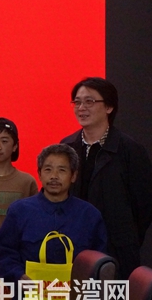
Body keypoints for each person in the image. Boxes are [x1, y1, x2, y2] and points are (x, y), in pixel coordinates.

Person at [0, 144, 107, 300]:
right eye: (48, 169)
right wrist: (19, 276)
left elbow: (100, 264)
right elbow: (4, 255)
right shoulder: (19, 211)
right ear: (39, 174)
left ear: (73, 176)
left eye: (62, 170)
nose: (54, 176)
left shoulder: (90, 215)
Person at [61, 77, 152, 279]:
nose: (81, 108)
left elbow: (143, 207)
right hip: (73, 247)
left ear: (109, 107)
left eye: (89, 101)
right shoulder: (66, 147)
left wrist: (124, 238)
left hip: (117, 251)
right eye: (77, 102)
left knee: (112, 299)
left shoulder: (130, 150)